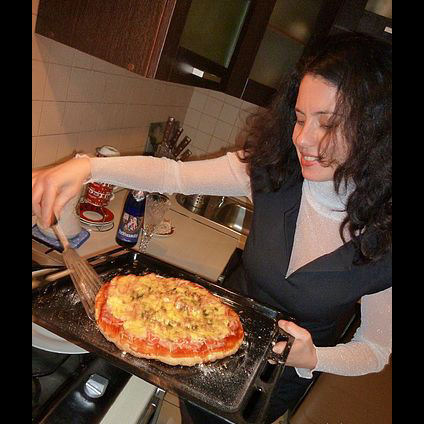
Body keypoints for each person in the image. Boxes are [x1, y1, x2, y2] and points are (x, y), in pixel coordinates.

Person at [32, 32, 391, 423]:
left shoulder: (386, 236)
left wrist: (315, 357)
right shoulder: (274, 168)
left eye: (329, 123)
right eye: (300, 118)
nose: (303, 139)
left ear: (374, 129)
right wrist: (87, 167)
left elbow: (375, 350)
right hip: (203, 337)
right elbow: (175, 175)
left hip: (274, 383)